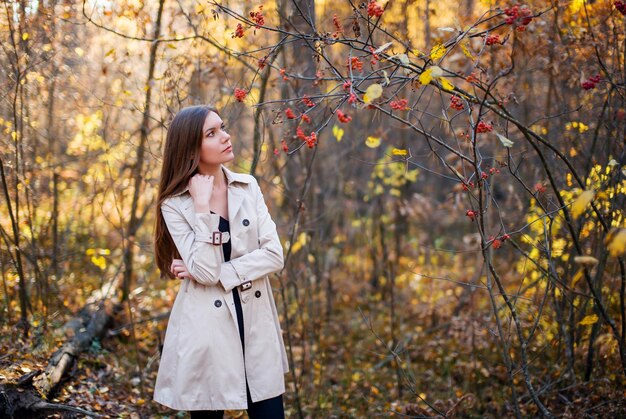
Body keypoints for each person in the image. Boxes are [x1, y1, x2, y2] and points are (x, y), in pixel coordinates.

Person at [152, 105, 289, 418]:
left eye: (222, 128)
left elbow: (273, 255)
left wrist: (218, 273)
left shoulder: (247, 186)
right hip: (206, 329)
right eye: (211, 134)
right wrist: (201, 208)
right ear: (191, 148)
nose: (225, 137)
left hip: (255, 321)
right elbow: (203, 270)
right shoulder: (175, 205)